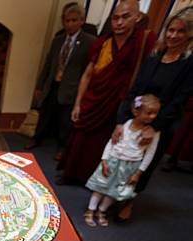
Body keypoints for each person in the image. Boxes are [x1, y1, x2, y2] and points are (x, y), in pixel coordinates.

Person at [57, 0, 156, 185]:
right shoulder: (102, 43)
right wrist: (78, 103)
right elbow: (87, 74)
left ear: (137, 17)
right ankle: (70, 174)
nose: (119, 22)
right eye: (115, 18)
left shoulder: (144, 41)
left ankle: (94, 180)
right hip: (93, 100)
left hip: (118, 104)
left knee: (106, 145)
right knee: (79, 140)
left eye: (125, 17)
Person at [111, 8, 193, 220]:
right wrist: (122, 122)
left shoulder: (189, 65)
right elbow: (135, 90)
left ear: (189, 35)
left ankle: (130, 199)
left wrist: (153, 127)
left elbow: (178, 101)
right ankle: (113, 193)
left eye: (180, 31)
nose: (173, 35)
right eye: (170, 30)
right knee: (122, 157)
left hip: (160, 125)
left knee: (143, 164)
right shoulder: (154, 58)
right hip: (134, 120)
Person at [25, 3, 96, 161]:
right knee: (45, 113)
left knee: (66, 121)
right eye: (67, 20)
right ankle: (37, 138)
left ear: (81, 21)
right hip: (52, 84)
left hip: (71, 89)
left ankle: (63, 147)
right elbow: (48, 64)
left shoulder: (89, 41)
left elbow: (88, 71)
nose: (69, 24)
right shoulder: (57, 40)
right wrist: (39, 85)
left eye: (73, 20)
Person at [84, 94, 160, 227]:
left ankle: (102, 211)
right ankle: (90, 210)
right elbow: (111, 142)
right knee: (100, 186)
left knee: (116, 190)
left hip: (131, 166)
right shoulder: (125, 124)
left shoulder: (154, 133)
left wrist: (138, 173)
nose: (153, 117)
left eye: (155, 113)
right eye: (149, 113)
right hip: (113, 160)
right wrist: (104, 160)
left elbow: (150, 154)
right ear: (136, 111)